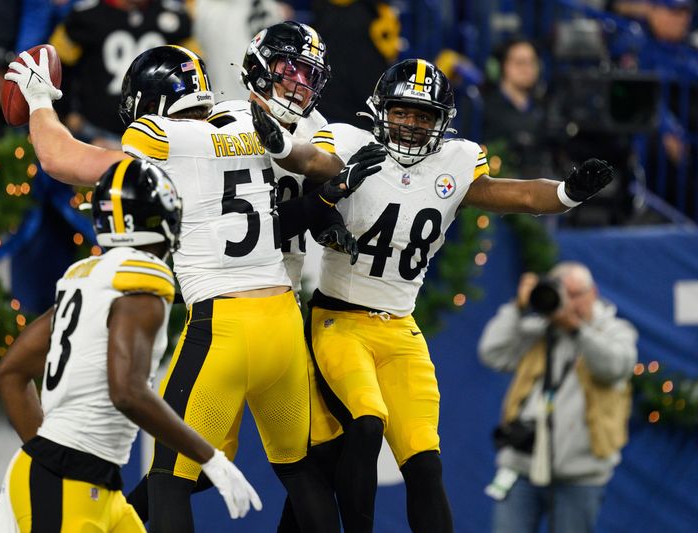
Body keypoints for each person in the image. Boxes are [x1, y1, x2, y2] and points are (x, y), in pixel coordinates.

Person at [4, 44, 381, 532]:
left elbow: (61, 159)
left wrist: (38, 102)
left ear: (153, 105)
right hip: (283, 318)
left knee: (168, 477)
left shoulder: (159, 138)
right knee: (302, 472)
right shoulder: (249, 120)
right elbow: (316, 166)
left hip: (223, 323)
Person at [252, 58, 615, 532]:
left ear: (441, 122)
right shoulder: (354, 144)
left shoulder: (455, 163)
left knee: (425, 465)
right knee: (364, 424)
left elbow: (522, 196)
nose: (410, 123)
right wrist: (279, 141)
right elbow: (313, 162)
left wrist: (567, 192)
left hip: (401, 328)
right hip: (339, 320)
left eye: (423, 115)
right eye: (402, 111)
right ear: (382, 109)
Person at [0, 159, 261, 532]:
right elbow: (127, 392)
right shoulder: (141, 285)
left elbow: (10, 373)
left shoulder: (87, 277)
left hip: (92, 484)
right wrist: (209, 456)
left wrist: (49, 456)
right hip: (66, 484)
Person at [479, 262, 638, 533]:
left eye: (577, 294)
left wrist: (576, 329)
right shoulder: (539, 330)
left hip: (580, 476)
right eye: (564, 294)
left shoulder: (615, 330)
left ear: (594, 292)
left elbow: (614, 367)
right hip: (520, 468)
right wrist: (518, 308)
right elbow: (492, 352)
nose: (570, 303)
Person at [49, 0, 194, 146]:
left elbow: (191, 68)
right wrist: (66, 113)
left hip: (157, 133)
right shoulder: (85, 14)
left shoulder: (176, 14)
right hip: (96, 131)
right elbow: (58, 65)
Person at [482, 36, 552, 179]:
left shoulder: (545, 107)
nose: (527, 69)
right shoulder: (484, 106)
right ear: (502, 66)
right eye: (520, 63)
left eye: (532, 62)